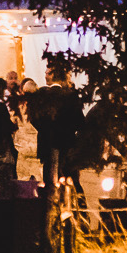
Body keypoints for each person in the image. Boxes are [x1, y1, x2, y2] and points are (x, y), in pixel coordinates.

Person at [27, 61, 86, 199]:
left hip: (47, 144)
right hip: (67, 144)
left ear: (53, 75)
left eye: (47, 73)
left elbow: (34, 119)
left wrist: (44, 130)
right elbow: (80, 122)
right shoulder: (71, 95)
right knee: (71, 180)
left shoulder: (41, 95)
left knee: (50, 181)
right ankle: (78, 208)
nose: (45, 76)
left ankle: (52, 209)